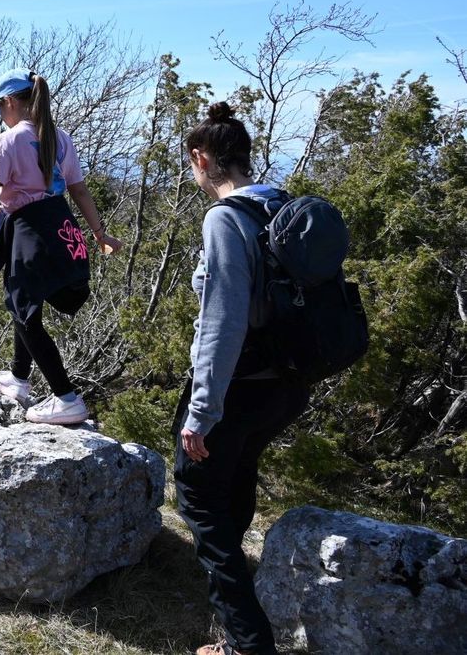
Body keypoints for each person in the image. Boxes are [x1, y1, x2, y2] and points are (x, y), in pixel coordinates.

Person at [175, 102, 311, 655]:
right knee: (236, 477)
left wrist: (201, 411)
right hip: (287, 384)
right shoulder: (282, 205)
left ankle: (247, 643)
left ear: (201, 159)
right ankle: (238, 616)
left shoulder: (225, 218)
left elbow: (222, 320)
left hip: (239, 385)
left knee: (198, 496)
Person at [0, 67, 121, 425]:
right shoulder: (61, 138)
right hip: (61, 229)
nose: (1, 117)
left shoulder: (8, 142)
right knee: (24, 306)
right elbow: (79, 190)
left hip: (28, 234)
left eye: (0, 109)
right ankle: (18, 377)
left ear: (10, 101)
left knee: (22, 308)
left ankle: (66, 397)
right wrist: (99, 233)